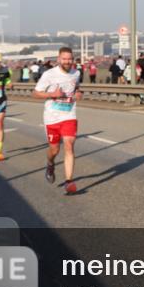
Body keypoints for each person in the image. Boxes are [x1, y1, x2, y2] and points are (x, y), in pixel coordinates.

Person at [32, 47, 83, 194]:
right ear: (59, 59)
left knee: (69, 144)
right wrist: (52, 94)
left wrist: (78, 93)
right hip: (52, 117)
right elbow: (35, 93)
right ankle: (50, 163)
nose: (67, 61)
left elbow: (76, 87)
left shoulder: (76, 73)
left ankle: (69, 182)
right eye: (64, 59)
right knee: (54, 149)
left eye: (70, 59)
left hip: (69, 115)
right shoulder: (49, 74)